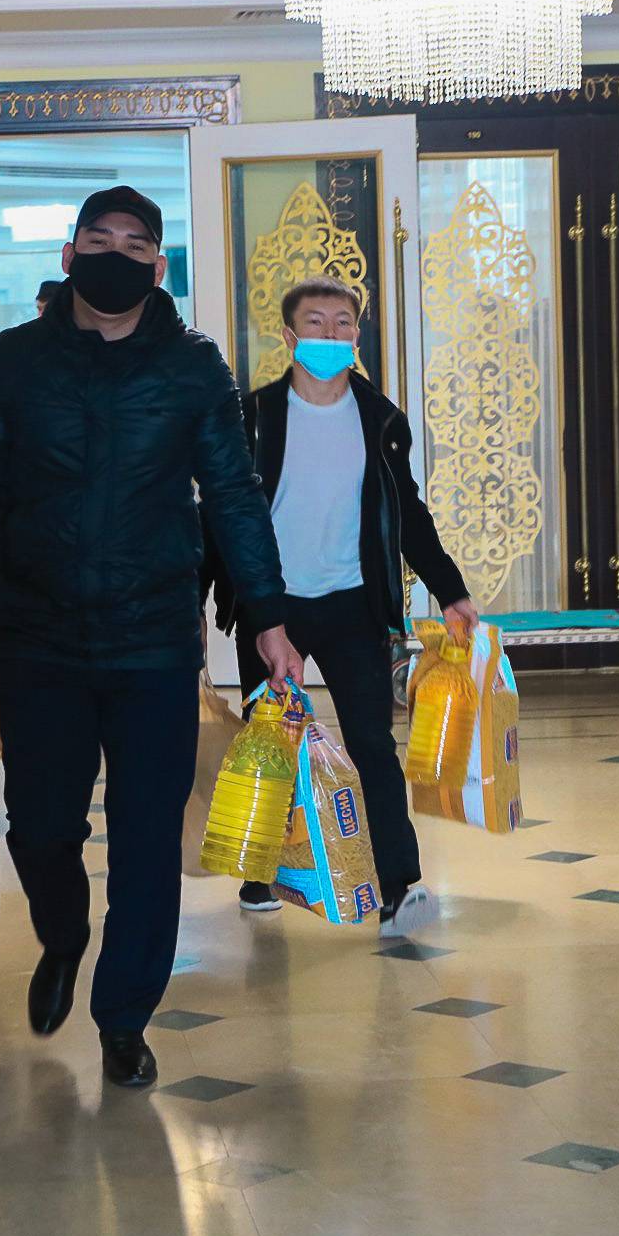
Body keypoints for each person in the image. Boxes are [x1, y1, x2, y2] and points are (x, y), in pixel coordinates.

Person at [0, 185, 302, 1089]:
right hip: (39, 635)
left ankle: (124, 1016)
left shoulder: (193, 367)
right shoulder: (16, 361)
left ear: (158, 268)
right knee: (40, 826)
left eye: (135, 246)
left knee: (145, 838)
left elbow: (235, 494)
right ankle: (63, 933)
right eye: (100, 240)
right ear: (68, 255)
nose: (116, 257)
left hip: (153, 638)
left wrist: (269, 614)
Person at [208, 277, 476, 939]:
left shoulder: (380, 420)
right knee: (271, 743)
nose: (330, 334)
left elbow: (407, 512)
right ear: (289, 336)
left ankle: (399, 886)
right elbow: (224, 515)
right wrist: (202, 600)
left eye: (343, 323)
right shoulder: (254, 416)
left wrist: (451, 590)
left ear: (357, 335)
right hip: (273, 610)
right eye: (315, 322)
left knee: (372, 744)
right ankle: (260, 872)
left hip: (354, 604)